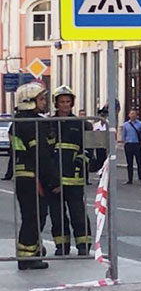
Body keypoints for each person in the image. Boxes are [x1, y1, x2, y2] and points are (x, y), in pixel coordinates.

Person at [13, 82, 60, 269]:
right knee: (34, 216)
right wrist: (53, 180)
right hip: (33, 176)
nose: (44, 102)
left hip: (25, 175)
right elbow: (41, 155)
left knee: (31, 215)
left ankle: (32, 251)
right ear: (29, 101)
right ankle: (27, 258)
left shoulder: (20, 122)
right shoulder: (32, 124)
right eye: (40, 99)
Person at [47, 85, 93, 256]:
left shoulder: (80, 124)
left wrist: (78, 167)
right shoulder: (48, 124)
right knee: (57, 217)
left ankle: (83, 246)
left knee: (78, 215)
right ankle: (62, 246)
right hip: (53, 180)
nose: (65, 105)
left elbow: (87, 152)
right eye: (62, 102)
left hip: (74, 180)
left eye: (68, 102)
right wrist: (51, 177)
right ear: (56, 104)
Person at [121, 109, 141, 184]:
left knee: (139, 162)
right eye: (131, 114)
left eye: (134, 114)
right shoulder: (125, 124)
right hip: (128, 144)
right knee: (129, 163)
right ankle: (130, 179)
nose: (133, 115)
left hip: (136, 144)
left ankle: (140, 178)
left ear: (136, 115)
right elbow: (123, 135)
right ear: (129, 115)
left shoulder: (140, 124)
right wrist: (124, 142)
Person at [78, 109, 94, 185]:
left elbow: (91, 136)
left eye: (83, 114)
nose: (82, 116)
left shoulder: (89, 125)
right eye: (81, 114)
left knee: (86, 164)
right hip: (78, 147)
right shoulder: (76, 124)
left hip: (87, 147)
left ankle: (86, 180)